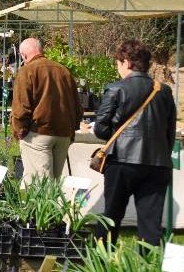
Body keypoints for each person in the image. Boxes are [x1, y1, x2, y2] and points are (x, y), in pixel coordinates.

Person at [93, 40, 175, 247]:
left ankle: (101, 261)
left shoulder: (116, 89)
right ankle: (147, 265)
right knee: (150, 223)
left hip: (122, 161)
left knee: (111, 215)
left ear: (127, 62)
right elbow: (170, 131)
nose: (118, 68)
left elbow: (100, 130)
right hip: (157, 163)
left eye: (118, 63)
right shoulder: (164, 91)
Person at [10, 38, 82, 183]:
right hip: (63, 133)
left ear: (23, 55)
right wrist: (72, 130)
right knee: (53, 185)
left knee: (40, 186)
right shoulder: (64, 71)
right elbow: (77, 106)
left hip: (38, 133)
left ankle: (38, 207)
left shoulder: (27, 71)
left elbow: (20, 108)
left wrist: (18, 130)